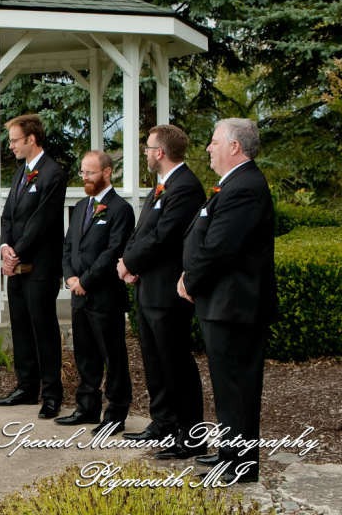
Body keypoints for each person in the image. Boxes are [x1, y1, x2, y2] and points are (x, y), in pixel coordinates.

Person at [179, 118, 276, 484]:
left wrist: (190, 279)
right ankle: (230, 453)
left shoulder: (245, 187)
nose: (209, 148)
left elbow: (220, 247)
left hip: (235, 305)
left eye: (215, 142)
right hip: (223, 303)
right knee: (228, 384)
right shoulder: (234, 183)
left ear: (235, 146)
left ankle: (241, 466)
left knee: (237, 384)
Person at [117, 125, 206, 457]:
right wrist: (128, 259)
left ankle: (191, 436)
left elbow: (165, 237)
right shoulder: (163, 185)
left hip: (168, 291)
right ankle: (163, 423)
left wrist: (129, 263)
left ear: (160, 153)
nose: (145, 152)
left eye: (147, 147)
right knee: (154, 361)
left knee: (176, 363)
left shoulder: (185, 187)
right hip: (148, 289)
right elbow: (143, 230)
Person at [0, 114, 67, 419]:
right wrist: (4, 247)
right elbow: (8, 215)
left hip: (40, 266)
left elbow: (42, 222)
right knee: (20, 325)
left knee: (43, 329)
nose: (10, 146)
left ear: (31, 140)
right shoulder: (21, 172)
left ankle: (51, 394)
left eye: (14, 140)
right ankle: (26, 387)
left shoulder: (52, 174)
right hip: (17, 263)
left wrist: (15, 253)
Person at [56, 151, 134, 435]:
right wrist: (70, 277)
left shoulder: (121, 209)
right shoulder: (80, 207)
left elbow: (114, 252)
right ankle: (87, 408)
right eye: (83, 172)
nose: (85, 178)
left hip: (104, 297)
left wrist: (86, 281)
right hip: (79, 294)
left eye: (90, 173)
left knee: (112, 357)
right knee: (85, 355)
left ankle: (115, 414)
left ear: (107, 172)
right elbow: (68, 247)